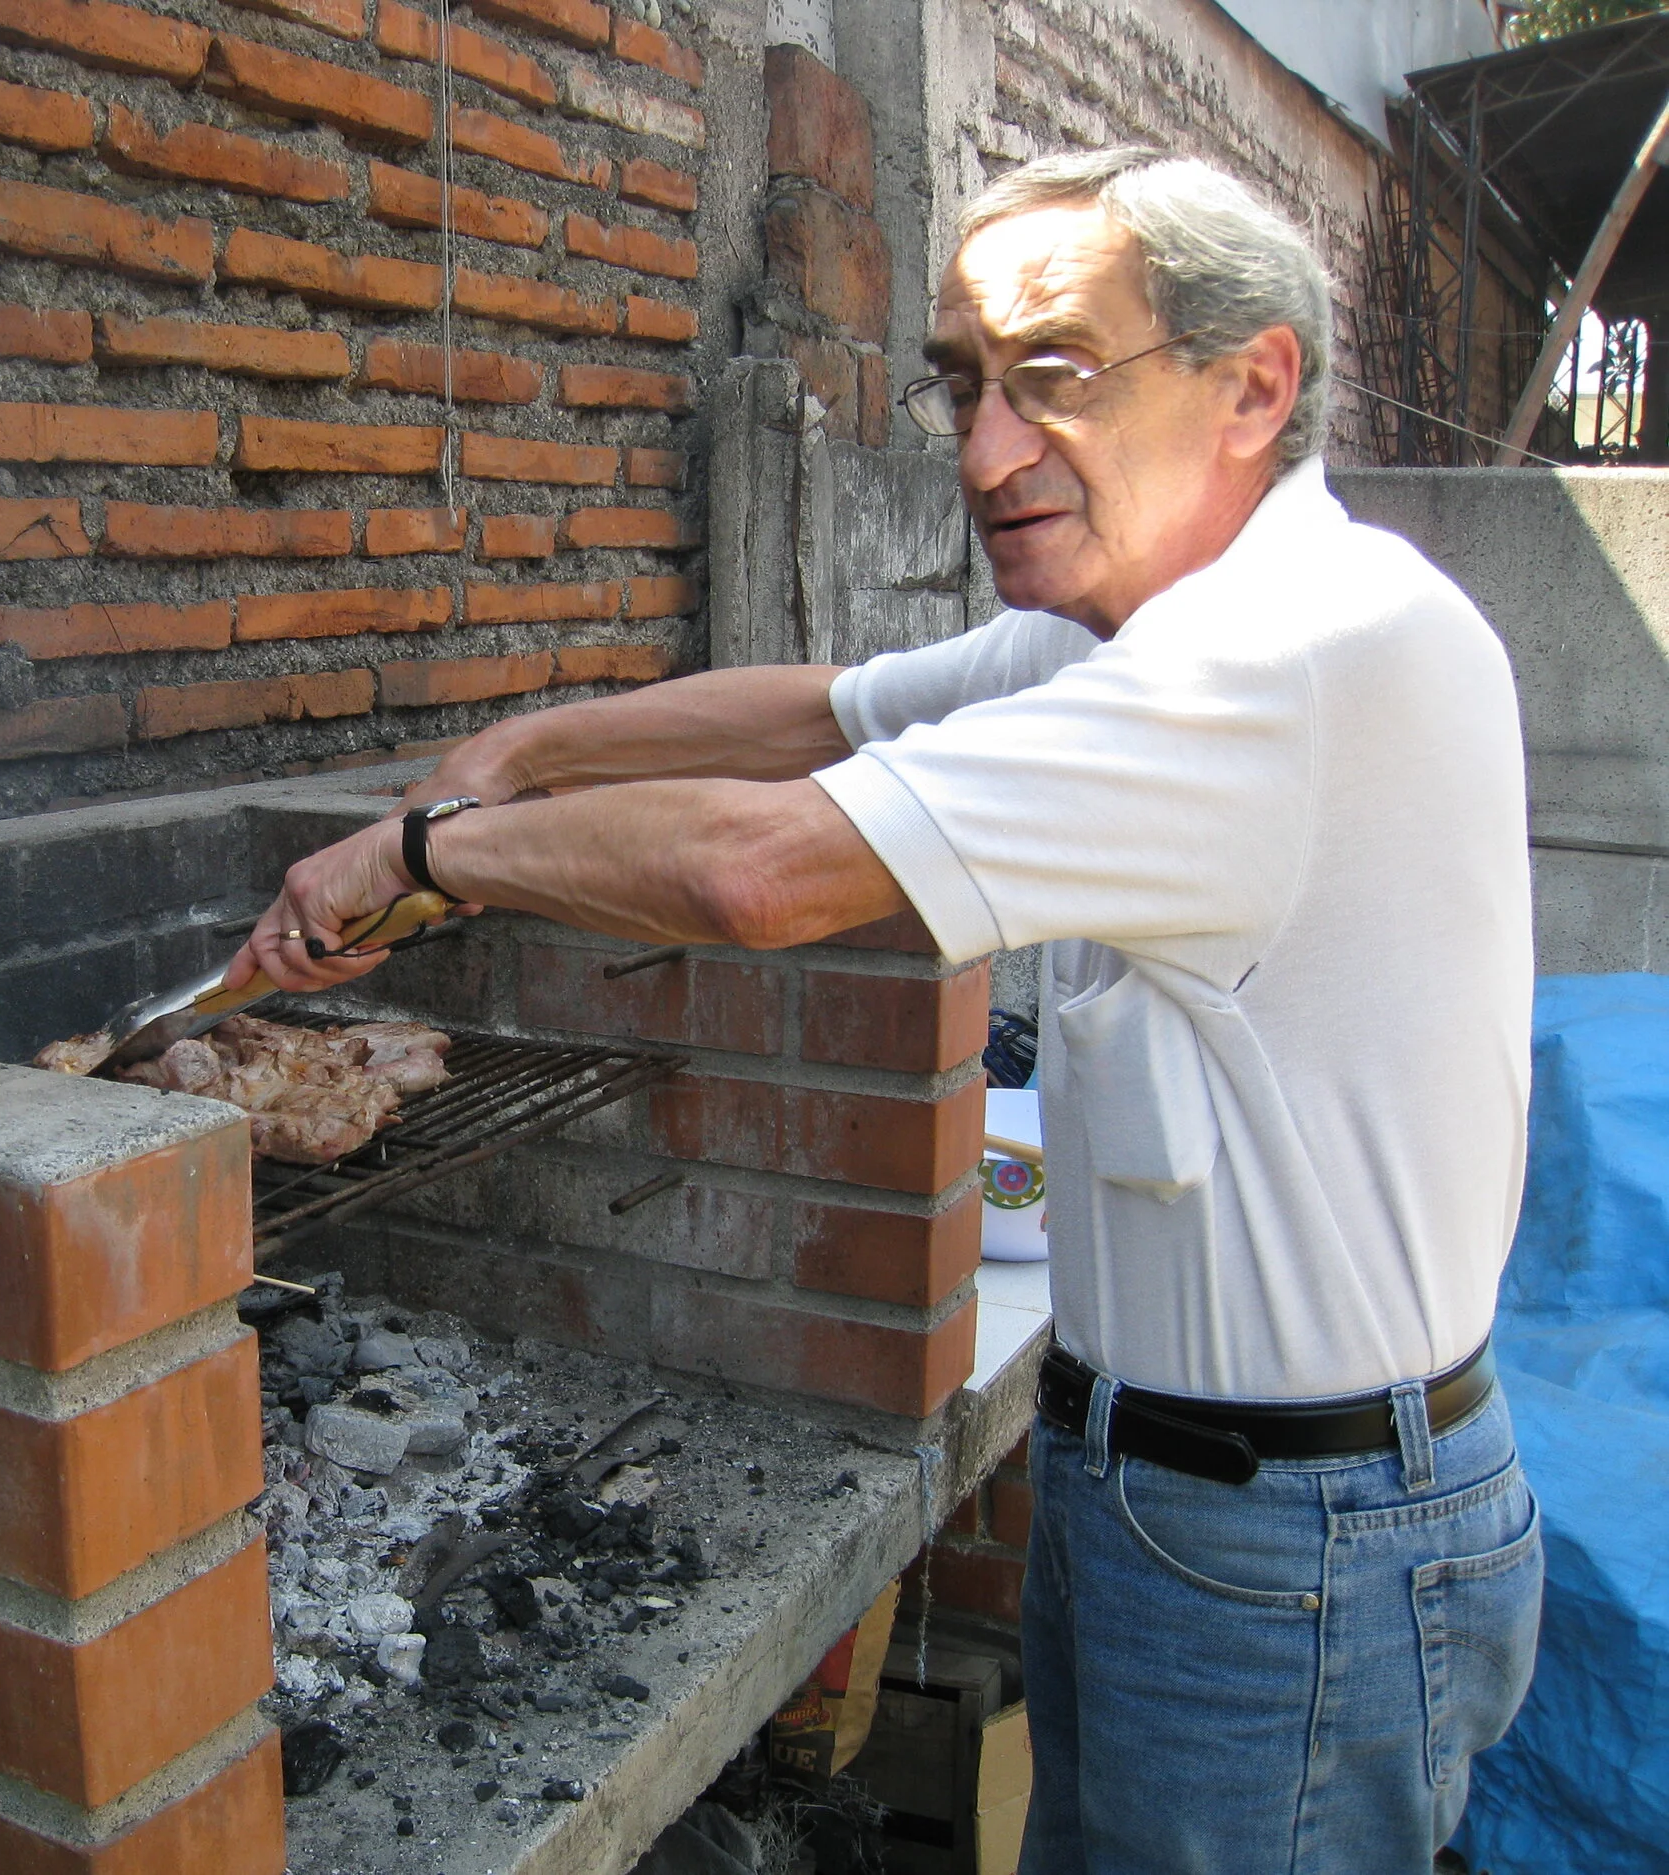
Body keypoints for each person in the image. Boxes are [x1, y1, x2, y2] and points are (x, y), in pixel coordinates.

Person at [228, 146, 1541, 1873]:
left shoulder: (1279, 658)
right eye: (963, 387)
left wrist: (427, 853)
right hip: (1180, 1487)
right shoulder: (1136, 626)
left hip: (1294, 1537)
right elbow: (827, 716)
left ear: (1253, 385)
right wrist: (533, 747)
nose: (988, 453)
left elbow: (762, 869)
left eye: (1053, 376)